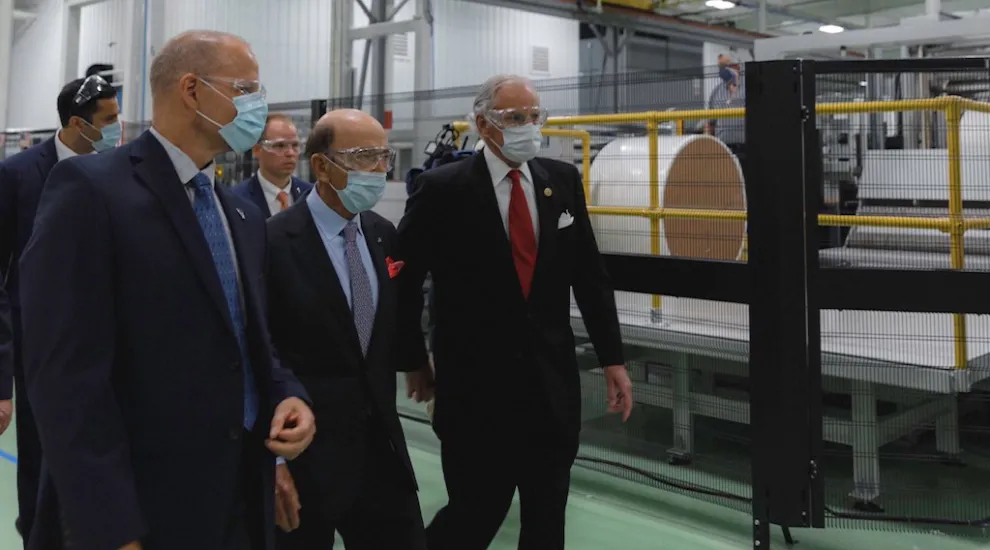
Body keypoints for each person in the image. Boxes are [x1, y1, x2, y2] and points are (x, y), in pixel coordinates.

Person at [18, 29, 316, 550]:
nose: (258, 104)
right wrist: (111, 527)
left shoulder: (239, 213)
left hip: (239, 498)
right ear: (192, 90)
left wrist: (288, 397)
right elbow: (66, 378)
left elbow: (247, 343)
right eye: (245, 88)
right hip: (145, 507)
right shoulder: (91, 191)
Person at [396, 74, 634, 550]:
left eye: (534, 116)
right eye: (514, 118)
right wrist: (414, 360)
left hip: (550, 387)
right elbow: (404, 279)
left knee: (547, 520)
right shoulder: (442, 188)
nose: (529, 125)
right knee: (475, 511)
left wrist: (612, 359)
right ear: (484, 125)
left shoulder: (561, 182)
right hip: (475, 389)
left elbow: (589, 275)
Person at [266, 109, 426, 550]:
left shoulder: (381, 234)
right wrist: (274, 461)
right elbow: (263, 351)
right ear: (320, 166)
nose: (378, 170)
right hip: (308, 458)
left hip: (382, 453)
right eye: (363, 157)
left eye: (383, 157)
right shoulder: (274, 242)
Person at [0, 73, 120, 544]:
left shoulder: (117, 171)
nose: (119, 129)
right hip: (39, 350)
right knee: (39, 461)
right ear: (76, 122)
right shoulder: (19, 175)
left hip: (103, 344)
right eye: (109, 120)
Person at [232, 113, 311, 218]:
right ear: (257, 150)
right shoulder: (237, 199)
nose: (290, 153)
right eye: (280, 145)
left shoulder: (311, 195)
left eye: (295, 145)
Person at [706, 53, 747, 172]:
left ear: (737, 66)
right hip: (723, 148)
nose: (722, 70)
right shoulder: (716, 92)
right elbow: (710, 123)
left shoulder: (748, 88)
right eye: (720, 66)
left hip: (745, 148)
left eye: (725, 66)